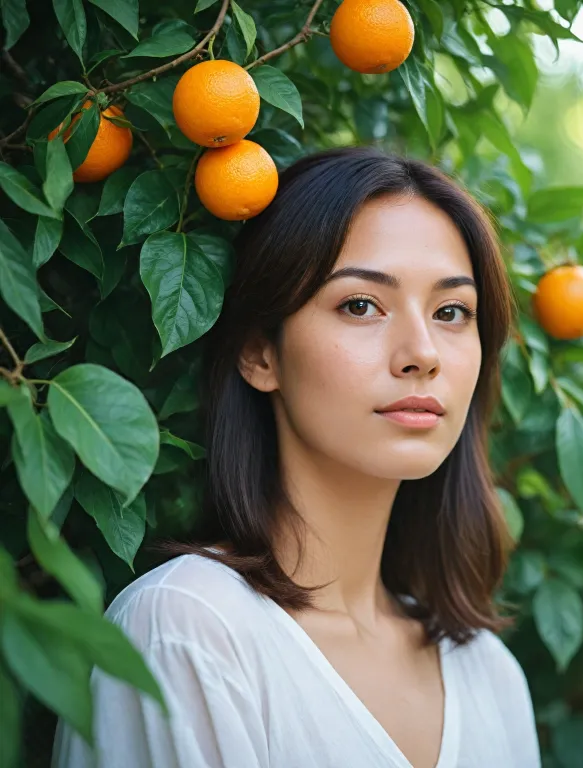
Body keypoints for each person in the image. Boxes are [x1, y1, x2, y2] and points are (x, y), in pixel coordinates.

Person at [52, 147, 540, 768]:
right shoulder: (187, 629)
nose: (423, 353)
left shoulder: (490, 674)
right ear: (261, 353)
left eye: (451, 312)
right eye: (361, 305)